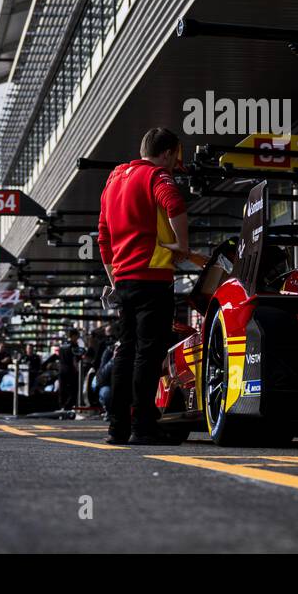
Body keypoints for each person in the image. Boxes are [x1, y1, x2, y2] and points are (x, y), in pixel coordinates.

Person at [97, 127, 198, 444]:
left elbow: (103, 237)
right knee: (148, 354)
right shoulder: (157, 176)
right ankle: (143, 425)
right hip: (153, 277)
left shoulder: (114, 179)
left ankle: (117, 427)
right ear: (167, 153)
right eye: (173, 159)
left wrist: (114, 279)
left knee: (125, 351)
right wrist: (182, 246)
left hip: (125, 279)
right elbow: (175, 205)